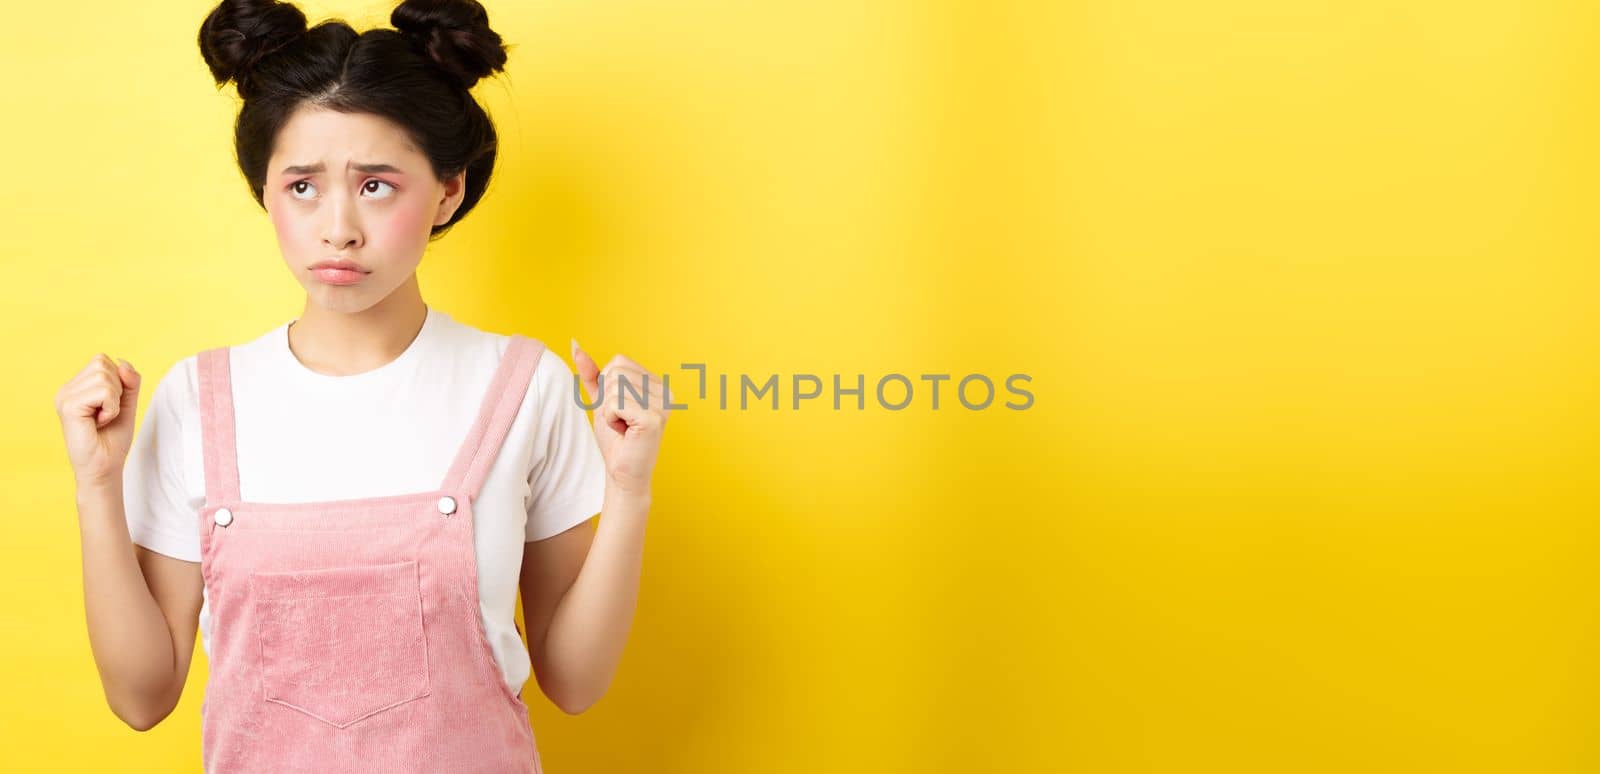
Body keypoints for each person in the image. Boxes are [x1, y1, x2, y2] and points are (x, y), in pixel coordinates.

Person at [52, 0, 671, 770]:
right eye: (302, 186)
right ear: (265, 192)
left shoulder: (523, 385)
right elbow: (141, 699)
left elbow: (575, 682)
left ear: (448, 191)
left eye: (376, 185)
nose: (337, 225)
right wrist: (96, 485)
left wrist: (631, 488)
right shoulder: (199, 401)